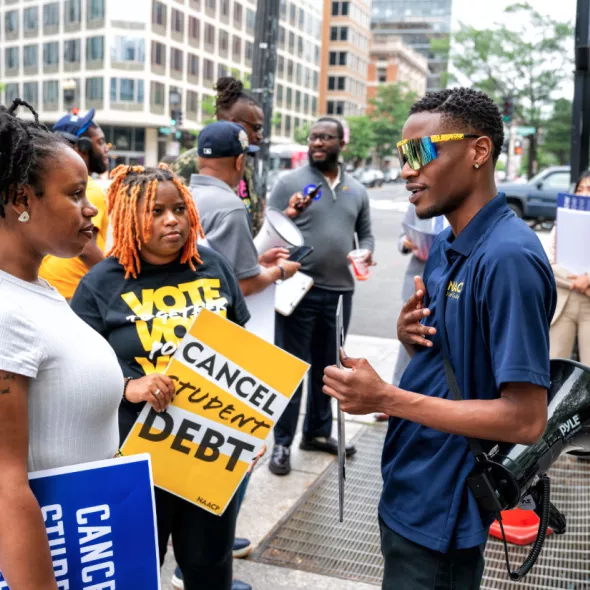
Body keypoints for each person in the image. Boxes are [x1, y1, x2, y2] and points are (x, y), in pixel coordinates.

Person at [322, 88, 556, 589]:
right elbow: (466, 368)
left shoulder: (509, 257)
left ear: (478, 151)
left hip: (444, 513)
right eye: (402, 154)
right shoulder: (451, 241)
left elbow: (525, 418)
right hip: (412, 484)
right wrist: (412, 341)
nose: (407, 169)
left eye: (421, 152)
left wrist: (387, 396)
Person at [71, 164, 250, 590]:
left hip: (209, 452)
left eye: (178, 208)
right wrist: (128, 386)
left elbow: (243, 353)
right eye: (155, 211)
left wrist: (253, 426)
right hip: (135, 458)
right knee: (139, 571)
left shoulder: (214, 266)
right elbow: (75, 372)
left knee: (210, 569)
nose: (172, 220)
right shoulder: (100, 284)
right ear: (131, 217)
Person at [0, 99, 123, 588]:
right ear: (21, 200)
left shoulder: (38, 290)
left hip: (90, 551)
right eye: (75, 194)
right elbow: (6, 483)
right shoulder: (6, 312)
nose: (92, 207)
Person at [267, 117, 375, 476]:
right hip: (298, 290)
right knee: (290, 369)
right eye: (313, 137)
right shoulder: (289, 183)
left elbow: (367, 235)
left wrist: (367, 253)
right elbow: (270, 232)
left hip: (341, 291)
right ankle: (281, 443)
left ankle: (317, 433)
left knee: (328, 369)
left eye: (325, 137)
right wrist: (288, 213)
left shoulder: (357, 190)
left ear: (341, 142)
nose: (317, 143)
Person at [190, 121, 300, 300]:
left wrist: (255, 263)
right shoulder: (231, 207)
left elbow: (212, 265)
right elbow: (244, 286)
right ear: (239, 162)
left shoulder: (183, 196)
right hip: (215, 319)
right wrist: (280, 271)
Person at [171, 77, 266, 235]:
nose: (259, 136)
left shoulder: (244, 162)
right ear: (234, 122)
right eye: (256, 128)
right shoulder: (189, 164)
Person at [39, 108, 110, 300]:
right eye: (101, 142)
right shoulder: (88, 191)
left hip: (49, 285)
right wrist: (115, 283)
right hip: (74, 292)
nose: (106, 149)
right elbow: (87, 248)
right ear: (83, 147)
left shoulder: (48, 184)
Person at [549, 171, 590, 366]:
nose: (583, 193)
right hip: (563, 301)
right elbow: (549, 262)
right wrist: (578, 282)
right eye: (580, 189)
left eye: (589, 189)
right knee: (556, 367)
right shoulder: (562, 223)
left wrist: (588, 279)